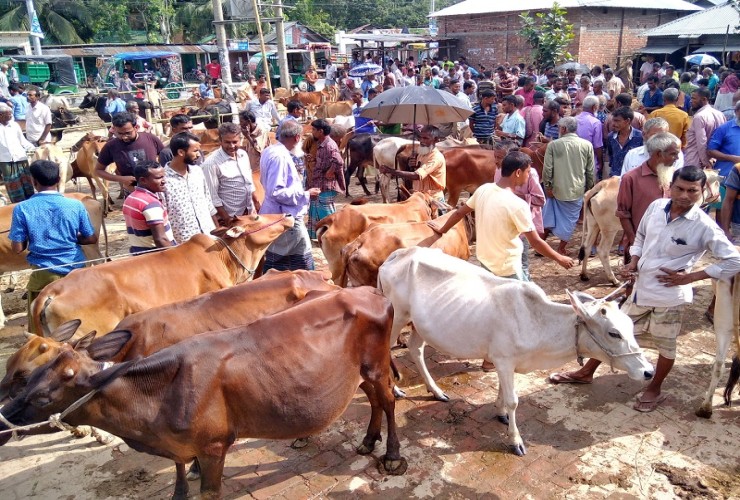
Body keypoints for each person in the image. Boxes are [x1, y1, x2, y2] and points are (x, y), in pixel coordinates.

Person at [550, 166, 740, 412]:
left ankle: (654, 389)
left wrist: (691, 277)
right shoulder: (656, 207)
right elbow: (639, 237)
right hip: (640, 289)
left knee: (666, 345)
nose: (684, 195)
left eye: (692, 191)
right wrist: (633, 262)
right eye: (679, 188)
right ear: (670, 187)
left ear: (702, 191)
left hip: (669, 296)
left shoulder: (704, 226)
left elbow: (734, 260)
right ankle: (586, 372)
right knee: (615, 332)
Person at [428, 151, 574, 281]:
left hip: (485, 260)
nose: (529, 175)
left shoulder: (483, 189)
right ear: (518, 173)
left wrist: (442, 230)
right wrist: (559, 258)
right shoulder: (518, 205)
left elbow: (459, 212)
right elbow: (535, 242)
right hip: (508, 267)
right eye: (528, 172)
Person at [9, 160, 97, 330]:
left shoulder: (22, 209)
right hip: (75, 271)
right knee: (82, 319)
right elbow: (91, 238)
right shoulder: (75, 205)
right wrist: (70, 238)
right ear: (58, 179)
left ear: (33, 181)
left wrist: (31, 238)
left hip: (43, 275)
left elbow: (17, 248)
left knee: (39, 327)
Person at [260, 120, 320, 271]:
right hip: (285, 216)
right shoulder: (280, 157)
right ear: (297, 138)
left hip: (275, 213)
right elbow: (276, 192)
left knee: (278, 257)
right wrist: (306, 194)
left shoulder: (270, 150)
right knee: (302, 262)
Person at [617, 132, 680, 260]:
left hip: (670, 245)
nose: (677, 158)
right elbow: (623, 214)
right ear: (658, 154)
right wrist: (634, 243)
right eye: (673, 154)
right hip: (642, 246)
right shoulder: (631, 178)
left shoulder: (675, 176)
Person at [542, 117, 595, 255]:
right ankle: (560, 248)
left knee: (549, 217)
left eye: (559, 127)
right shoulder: (586, 145)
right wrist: (590, 189)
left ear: (564, 129)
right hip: (576, 190)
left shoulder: (553, 145)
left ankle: (541, 247)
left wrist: (547, 187)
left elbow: (547, 169)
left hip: (555, 190)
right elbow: (590, 170)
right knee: (570, 221)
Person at [163, 132, 218, 243]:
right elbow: (163, 216)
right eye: (195, 151)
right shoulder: (163, 180)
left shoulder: (197, 172)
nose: (199, 155)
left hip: (209, 237)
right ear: (181, 152)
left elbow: (207, 201)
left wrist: (217, 229)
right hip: (184, 243)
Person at [96, 112, 165, 198]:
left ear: (136, 127)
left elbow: (166, 159)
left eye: (128, 133)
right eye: (119, 134)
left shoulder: (151, 139)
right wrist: (121, 179)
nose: (124, 137)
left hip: (158, 191)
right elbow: (98, 170)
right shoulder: (111, 146)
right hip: (132, 193)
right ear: (114, 130)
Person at [202, 122, 257, 224]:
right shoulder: (211, 163)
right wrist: (228, 220)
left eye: (235, 142)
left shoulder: (243, 155)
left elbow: (249, 182)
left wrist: (256, 203)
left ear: (240, 140)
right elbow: (212, 197)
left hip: (248, 212)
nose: (232, 146)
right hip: (230, 216)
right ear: (220, 141)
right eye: (227, 142)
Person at [379, 125, 446, 203]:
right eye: (420, 137)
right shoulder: (421, 153)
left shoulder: (435, 157)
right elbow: (417, 173)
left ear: (436, 140)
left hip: (433, 199)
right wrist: (412, 166)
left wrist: (391, 171)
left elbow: (416, 175)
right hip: (419, 198)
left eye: (426, 138)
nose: (422, 141)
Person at [122, 161, 175, 253]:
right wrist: (176, 258)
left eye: (163, 176)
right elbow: (161, 239)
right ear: (143, 180)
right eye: (159, 178)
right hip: (154, 257)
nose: (164, 181)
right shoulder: (151, 204)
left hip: (138, 253)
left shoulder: (131, 197)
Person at [305, 119, 345, 239]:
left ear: (320, 131)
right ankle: (319, 235)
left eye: (313, 130)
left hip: (325, 183)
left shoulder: (329, 145)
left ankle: (333, 235)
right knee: (316, 207)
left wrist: (330, 171)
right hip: (318, 182)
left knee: (325, 210)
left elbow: (339, 161)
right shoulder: (322, 144)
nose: (312, 132)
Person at [0, 103, 35, 202]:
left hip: (20, 158)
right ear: (0, 115)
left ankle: (31, 201)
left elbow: (22, 141)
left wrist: (33, 148)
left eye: (11, 113)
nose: (11, 115)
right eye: (8, 114)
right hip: (5, 160)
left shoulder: (14, 125)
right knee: (12, 184)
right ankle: (17, 203)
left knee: (27, 182)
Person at [685, 88, 726, 169]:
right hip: (714, 160)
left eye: (693, 98)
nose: (690, 101)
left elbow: (701, 142)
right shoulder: (720, 114)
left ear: (704, 99)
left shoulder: (699, 117)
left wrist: (705, 162)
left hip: (697, 161)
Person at [606, 106, 643, 178]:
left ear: (627, 121)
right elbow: (611, 155)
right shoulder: (611, 137)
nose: (613, 124)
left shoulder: (640, 137)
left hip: (633, 178)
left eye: (617, 121)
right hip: (615, 178)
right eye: (613, 120)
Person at [707, 100, 740, 179]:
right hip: (725, 176)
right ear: (736, 111)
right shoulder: (724, 128)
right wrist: (730, 158)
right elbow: (710, 151)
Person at [576, 96, 604, 179]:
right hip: (589, 161)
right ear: (594, 107)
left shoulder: (574, 119)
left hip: (574, 160)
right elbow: (597, 146)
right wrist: (600, 162)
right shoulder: (595, 122)